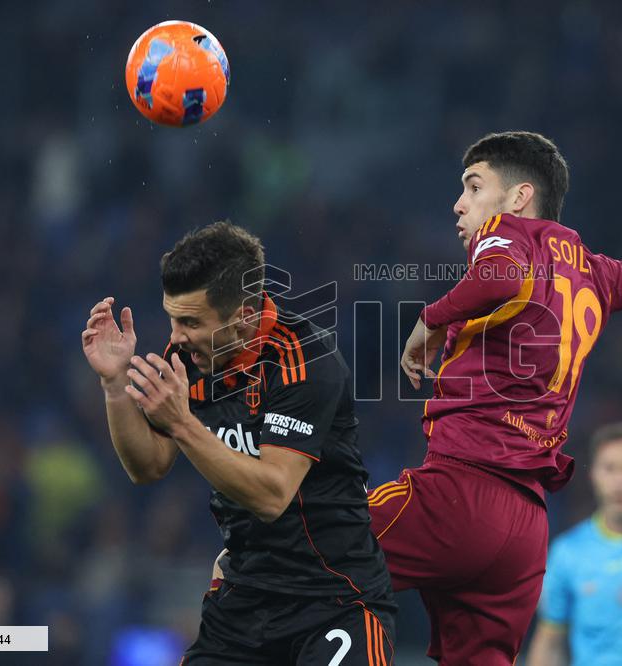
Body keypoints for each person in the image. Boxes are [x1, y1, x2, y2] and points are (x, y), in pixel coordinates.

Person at [370, 130, 622, 664]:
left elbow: (501, 276)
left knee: (299, 553)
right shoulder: (597, 271)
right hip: (525, 530)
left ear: (519, 197)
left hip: (460, 491)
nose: (459, 205)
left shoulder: (505, 235)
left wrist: (430, 319)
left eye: (474, 187)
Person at [81, 221, 396, 665]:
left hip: (332, 599)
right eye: (173, 317)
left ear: (244, 316)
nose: (175, 336)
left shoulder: (305, 360)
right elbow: (147, 467)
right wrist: (114, 384)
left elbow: (272, 494)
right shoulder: (190, 357)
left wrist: (185, 425)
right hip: (243, 602)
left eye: (190, 321)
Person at [525, 422, 622, 666]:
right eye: (610, 468)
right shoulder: (567, 553)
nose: (620, 481)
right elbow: (550, 643)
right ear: (593, 475)